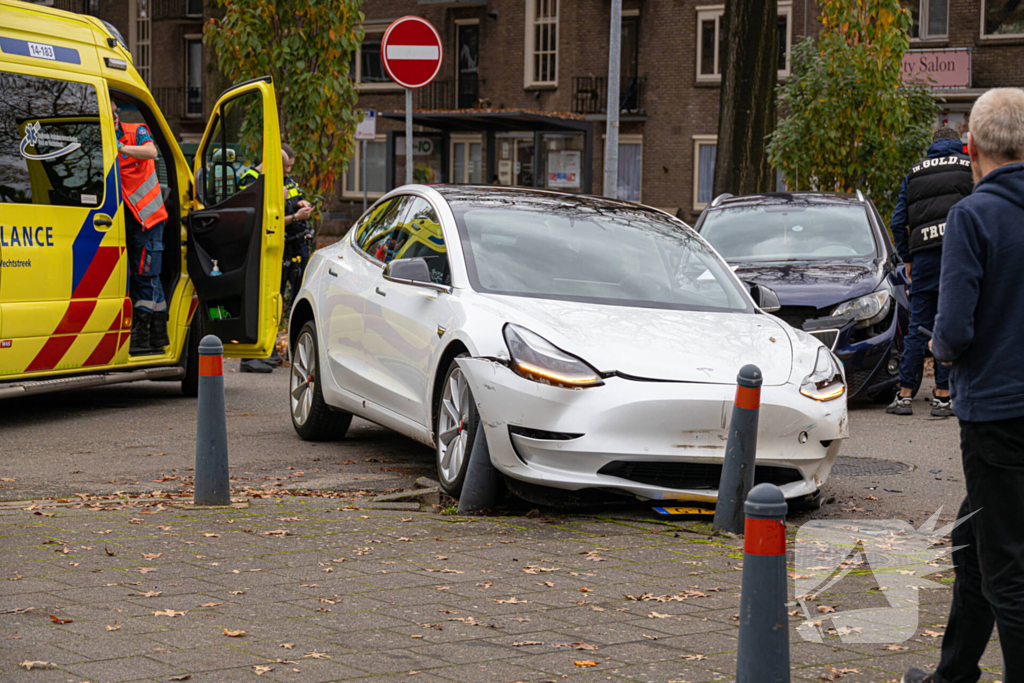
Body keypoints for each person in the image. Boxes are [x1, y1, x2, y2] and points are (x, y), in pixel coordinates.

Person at [902, 87, 1024, 683]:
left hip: (997, 415)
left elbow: (952, 329)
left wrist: (939, 350)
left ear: (971, 147)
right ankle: (953, 674)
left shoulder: (973, 217)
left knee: (1006, 570)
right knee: (972, 546)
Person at [887, 127, 973, 417]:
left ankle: (904, 395)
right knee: (952, 320)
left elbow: (898, 221)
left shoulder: (914, 173)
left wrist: (908, 257)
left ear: (933, 145)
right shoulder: (969, 168)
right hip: (959, 255)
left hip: (924, 258)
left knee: (918, 325)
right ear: (957, 144)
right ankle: (943, 397)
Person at [240, 144, 313, 373]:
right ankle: (259, 350)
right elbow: (261, 217)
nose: (288, 172)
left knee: (291, 300)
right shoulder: (252, 180)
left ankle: (280, 349)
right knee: (271, 299)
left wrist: (300, 203)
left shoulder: (283, 179)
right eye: (285, 167)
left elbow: (293, 197)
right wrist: (294, 216)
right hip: (271, 247)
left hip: (294, 246)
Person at [112, 98, 170, 355]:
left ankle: (145, 332)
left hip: (149, 217)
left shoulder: (136, 131)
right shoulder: (100, 141)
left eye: (116, 111)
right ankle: (156, 334)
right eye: (109, 112)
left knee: (145, 275)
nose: (115, 116)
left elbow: (151, 152)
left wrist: (120, 147)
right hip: (129, 219)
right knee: (142, 275)